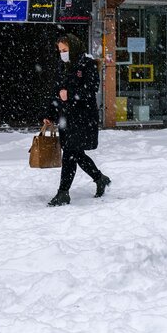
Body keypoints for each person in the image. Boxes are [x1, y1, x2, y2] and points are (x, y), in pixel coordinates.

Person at [42, 33, 110, 206]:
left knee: (70, 155)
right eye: (60, 51)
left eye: (65, 50)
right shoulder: (63, 65)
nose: (62, 53)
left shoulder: (87, 64)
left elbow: (91, 89)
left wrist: (70, 94)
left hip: (83, 117)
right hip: (67, 117)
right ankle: (99, 178)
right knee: (76, 153)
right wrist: (50, 114)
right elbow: (57, 92)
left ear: (73, 47)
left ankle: (63, 193)